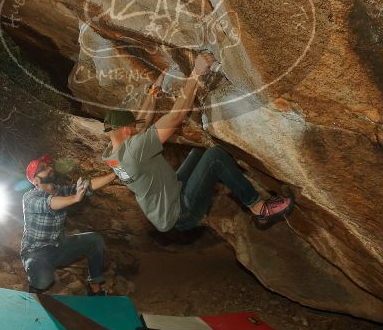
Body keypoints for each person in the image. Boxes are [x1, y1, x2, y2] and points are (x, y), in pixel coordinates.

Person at [102, 53, 294, 234]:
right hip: (179, 212)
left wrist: (154, 91)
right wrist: (196, 73)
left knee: (199, 153)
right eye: (132, 127)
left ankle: (226, 179)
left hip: (170, 197)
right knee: (215, 156)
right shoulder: (134, 150)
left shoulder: (112, 157)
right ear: (126, 131)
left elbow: (140, 123)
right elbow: (176, 116)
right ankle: (259, 209)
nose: (137, 126)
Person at [20, 155, 117, 295]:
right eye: (43, 168)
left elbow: (89, 186)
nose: (49, 168)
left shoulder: (61, 191)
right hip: (36, 252)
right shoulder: (30, 198)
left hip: (60, 246)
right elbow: (51, 203)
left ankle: (94, 286)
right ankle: (35, 292)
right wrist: (75, 198)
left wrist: (115, 174)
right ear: (36, 180)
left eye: (48, 165)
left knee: (94, 240)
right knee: (44, 280)